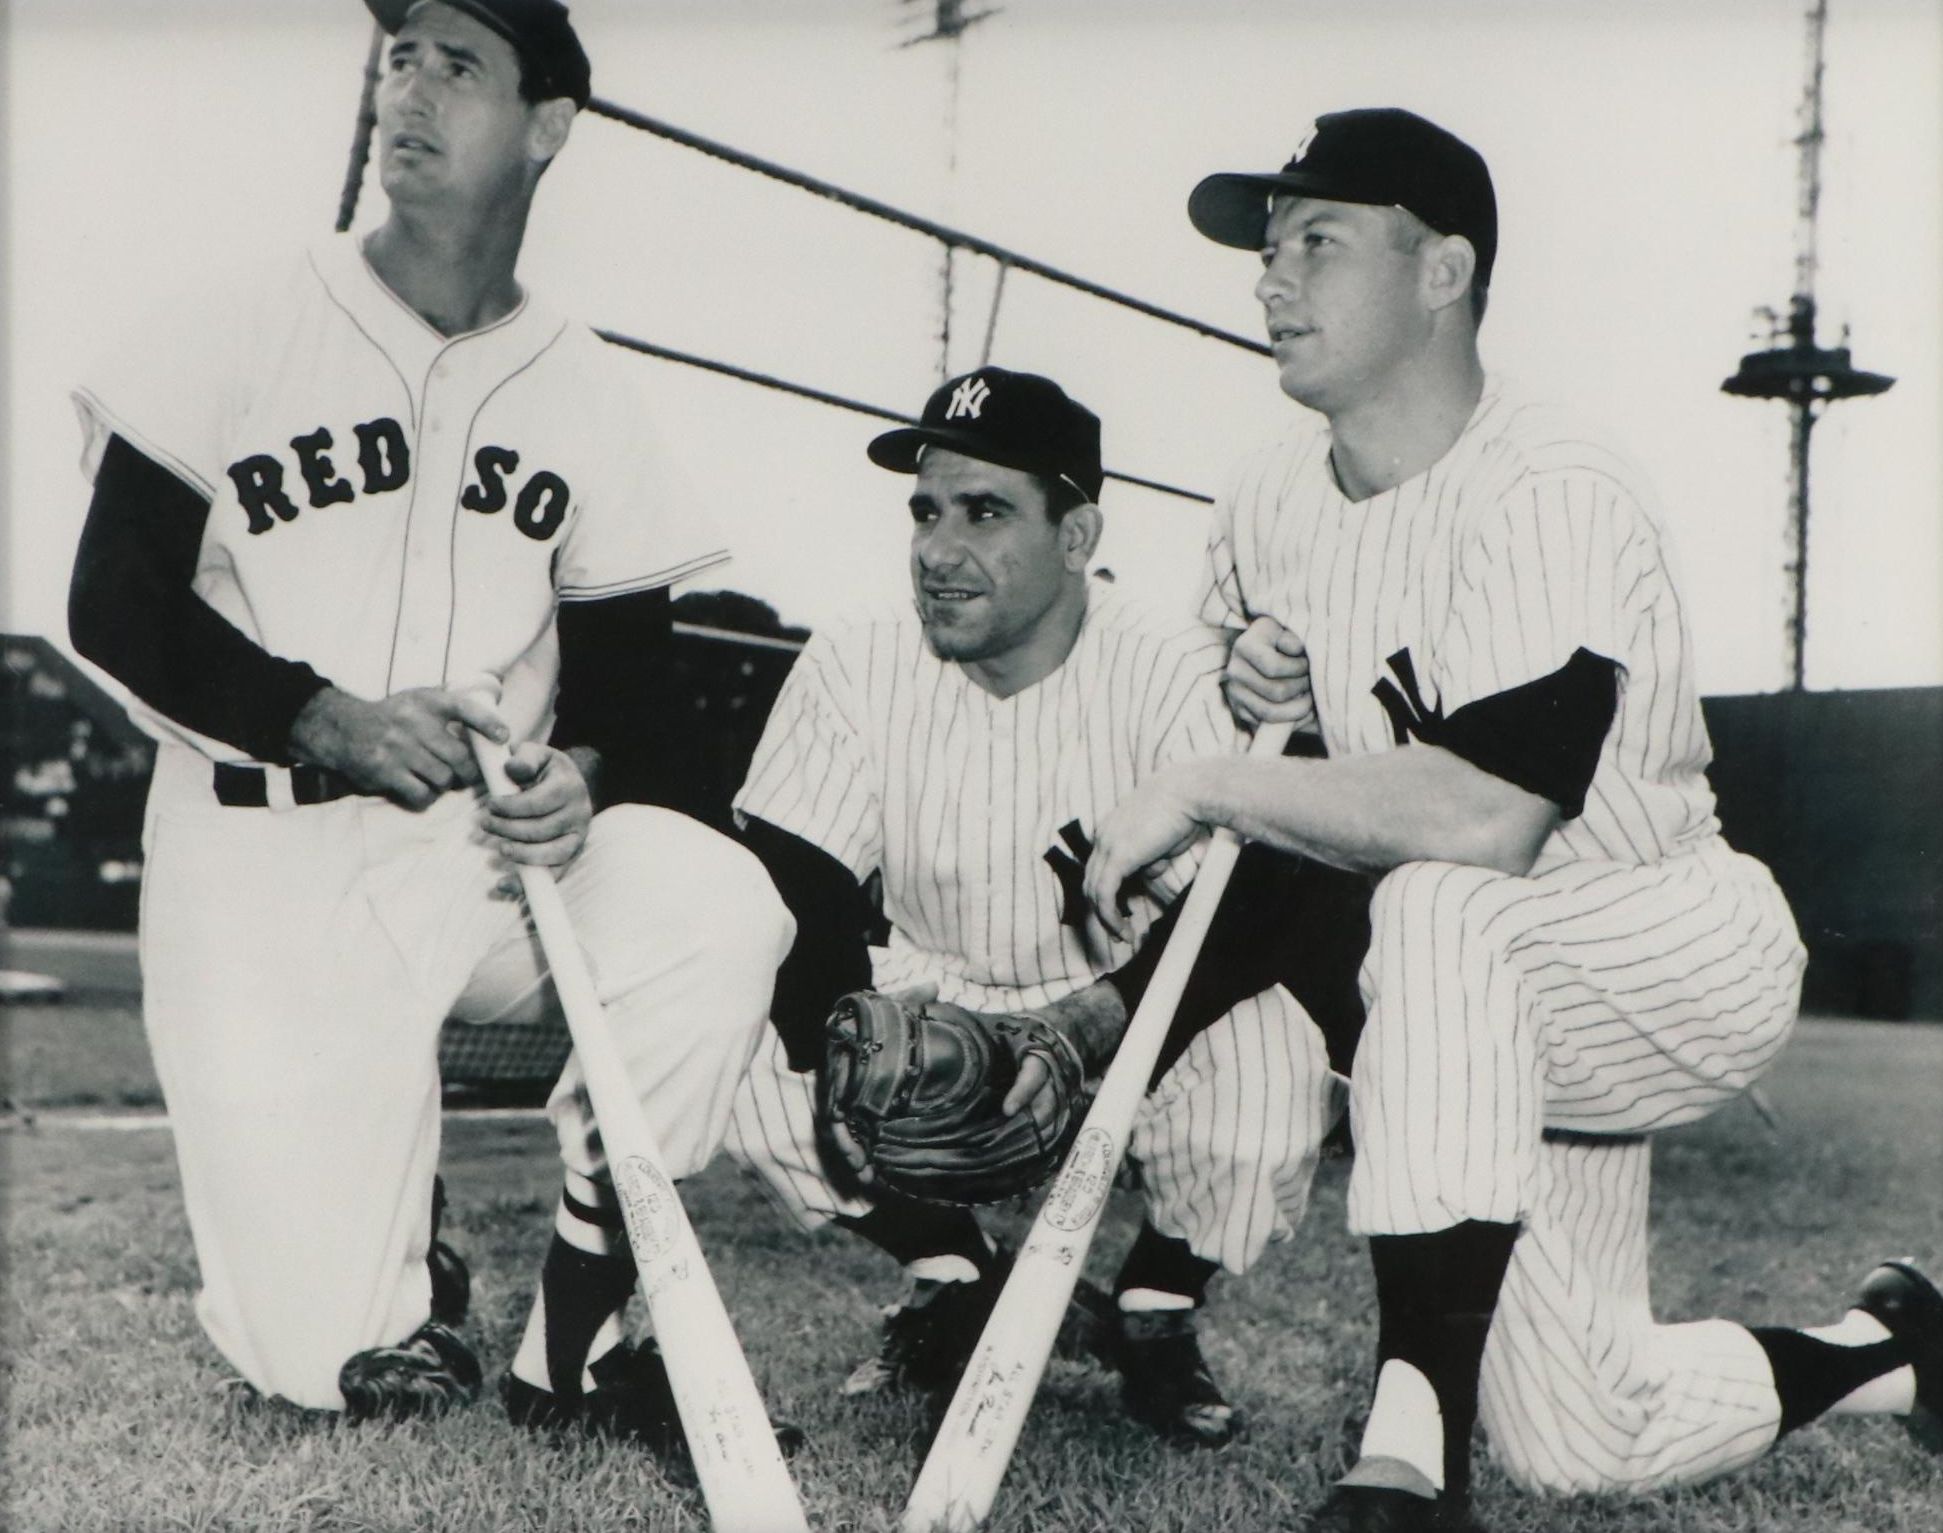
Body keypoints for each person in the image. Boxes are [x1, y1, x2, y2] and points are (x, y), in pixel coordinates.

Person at [1081, 108, 1941, 1530]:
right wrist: (1251, 683)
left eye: (1315, 241)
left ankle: (1409, 1461)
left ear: (1440, 273)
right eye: (1265, 247)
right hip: (1470, 1036)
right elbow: (1300, 826)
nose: (1267, 280)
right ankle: (1895, 1349)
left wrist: (1208, 781)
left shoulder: (1550, 480)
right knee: (1579, 1433)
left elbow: (1485, 815)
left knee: (1434, 900)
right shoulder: (1265, 495)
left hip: (1661, 939)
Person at [65, 0, 794, 1442]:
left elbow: (638, 703)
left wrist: (582, 780)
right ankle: (407, 1250)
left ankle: (573, 1340)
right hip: (258, 855)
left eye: (459, 62)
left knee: (719, 916)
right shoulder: (235, 318)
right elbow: (116, 605)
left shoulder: (586, 386)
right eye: (400, 53)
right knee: (327, 1362)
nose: (410, 83)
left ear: (547, 127)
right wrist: (313, 714)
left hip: (485, 863)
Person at [719, 365, 1351, 1445]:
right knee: (735, 1059)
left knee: (1270, 1076)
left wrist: (1090, 1024)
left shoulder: (1166, 664)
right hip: (930, 986)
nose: (935, 548)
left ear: (1075, 533)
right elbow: (795, 876)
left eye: (984, 512)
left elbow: (1251, 915)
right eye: (923, 511)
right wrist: (842, 1038)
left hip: (1125, 998)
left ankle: (1154, 1308)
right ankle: (951, 1272)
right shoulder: (858, 653)